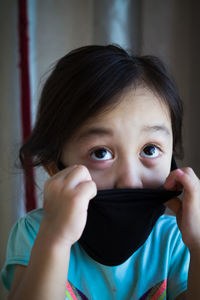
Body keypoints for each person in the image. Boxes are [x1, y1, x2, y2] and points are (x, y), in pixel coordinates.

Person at [1, 45, 200, 300]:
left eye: (150, 149)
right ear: (55, 167)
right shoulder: (36, 233)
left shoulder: (176, 240)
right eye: (101, 153)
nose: (130, 179)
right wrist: (55, 239)